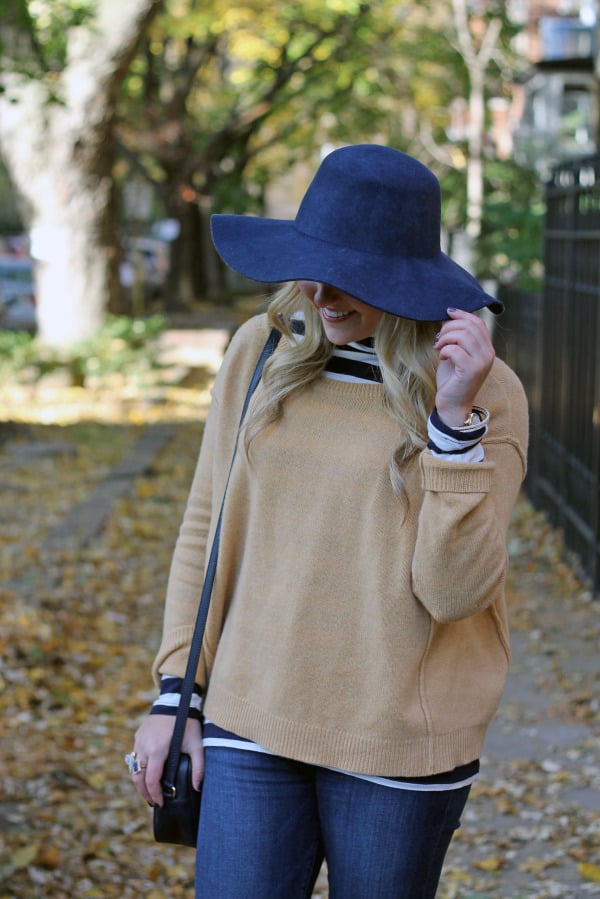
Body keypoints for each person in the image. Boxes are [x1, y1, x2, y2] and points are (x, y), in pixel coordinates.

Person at [128, 144, 529, 899]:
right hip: (251, 712)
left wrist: (451, 424)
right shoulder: (262, 351)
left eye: (349, 274)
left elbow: (455, 591)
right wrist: (175, 693)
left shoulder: (484, 393)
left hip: (397, 743)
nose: (318, 290)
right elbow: (205, 525)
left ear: (404, 274)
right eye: (310, 264)